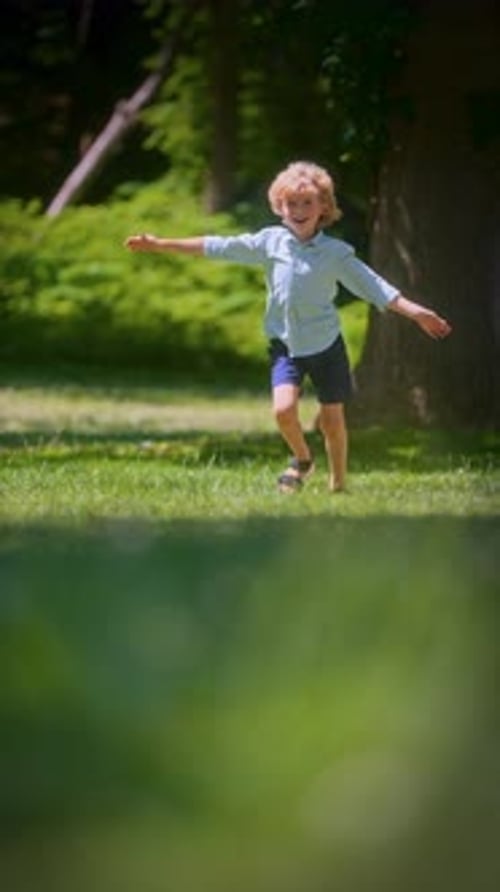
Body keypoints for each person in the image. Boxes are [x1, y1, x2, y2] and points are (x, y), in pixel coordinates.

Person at [125, 161, 452, 494]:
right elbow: (216, 245)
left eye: (307, 202)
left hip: (326, 345)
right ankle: (302, 459)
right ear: (279, 206)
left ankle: (338, 483)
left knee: (332, 419)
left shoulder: (335, 253)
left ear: (324, 206)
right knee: (283, 411)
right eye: (290, 203)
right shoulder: (271, 242)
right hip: (286, 345)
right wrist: (161, 244)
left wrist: (417, 313)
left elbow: (374, 286)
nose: (298, 210)